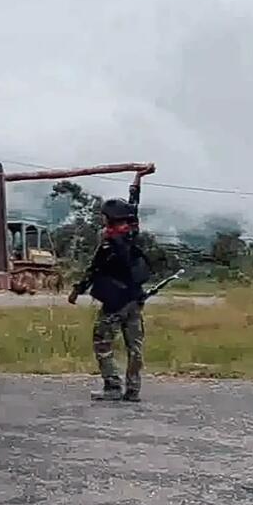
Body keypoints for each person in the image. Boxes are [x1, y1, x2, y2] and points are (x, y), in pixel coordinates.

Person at [66, 167, 155, 402]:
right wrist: (138, 179)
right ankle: (133, 390)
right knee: (134, 346)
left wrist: (77, 290)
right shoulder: (132, 233)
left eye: (103, 215)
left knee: (102, 341)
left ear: (109, 218)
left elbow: (94, 269)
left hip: (115, 303)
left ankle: (113, 386)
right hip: (135, 300)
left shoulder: (108, 244)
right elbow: (134, 205)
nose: (101, 218)